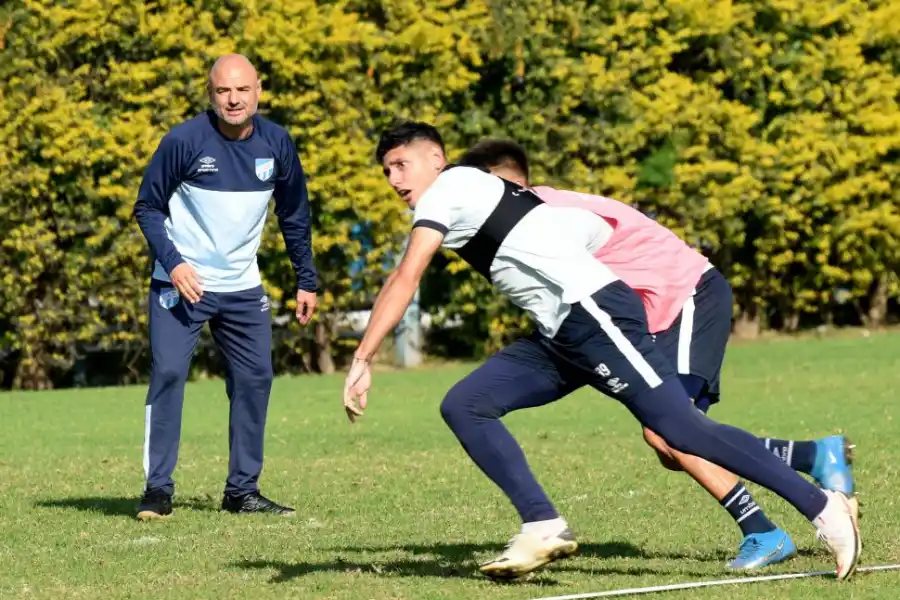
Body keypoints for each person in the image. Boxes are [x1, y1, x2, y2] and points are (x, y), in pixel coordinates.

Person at [341, 121, 860, 582]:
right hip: (561, 332)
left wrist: (362, 358)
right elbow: (586, 229)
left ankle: (823, 508)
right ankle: (543, 525)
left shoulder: (448, 186)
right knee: (466, 403)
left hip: (594, 316)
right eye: (386, 170)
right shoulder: (484, 193)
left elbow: (407, 275)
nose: (394, 180)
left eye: (400, 164)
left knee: (677, 430)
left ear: (436, 157)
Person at [132, 54, 318, 520]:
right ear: (210, 94)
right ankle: (158, 490)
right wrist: (173, 264)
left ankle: (242, 492)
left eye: (241, 90)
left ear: (258, 90)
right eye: (222, 91)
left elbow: (294, 214)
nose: (233, 99)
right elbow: (148, 208)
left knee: (256, 379)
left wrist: (306, 280)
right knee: (170, 374)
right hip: (182, 284)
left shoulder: (277, 143)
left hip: (241, 287)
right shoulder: (184, 141)